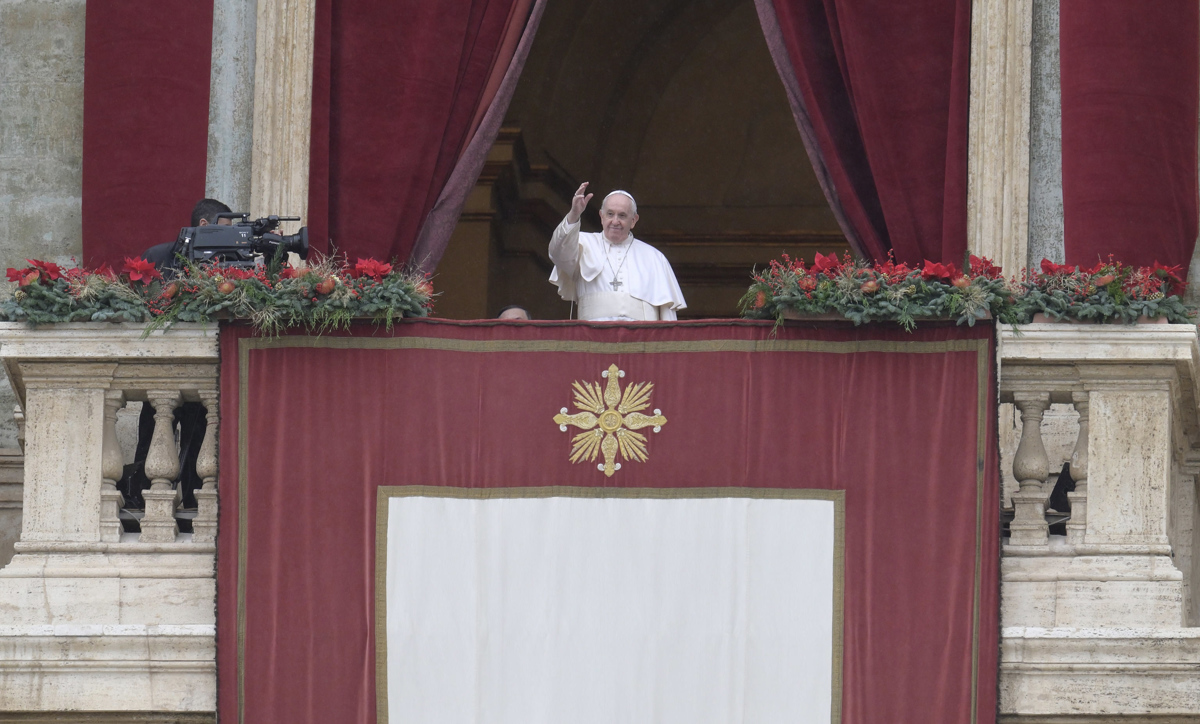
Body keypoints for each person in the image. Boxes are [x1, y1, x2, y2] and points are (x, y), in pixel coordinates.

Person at [549, 183, 686, 321]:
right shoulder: (581, 243)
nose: (615, 221)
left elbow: (668, 317)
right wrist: (574, 214)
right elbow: (557, 252)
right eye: (610, 214)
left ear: (633, 220)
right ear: (601, 216)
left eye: (622, 215)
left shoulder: (654, 257)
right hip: (593, 338)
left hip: (641, 340)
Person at [142, 199, 233, 268]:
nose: (229, 235)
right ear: (204, 225)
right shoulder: (156, 257)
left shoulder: (228, 258)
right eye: (225, 228)